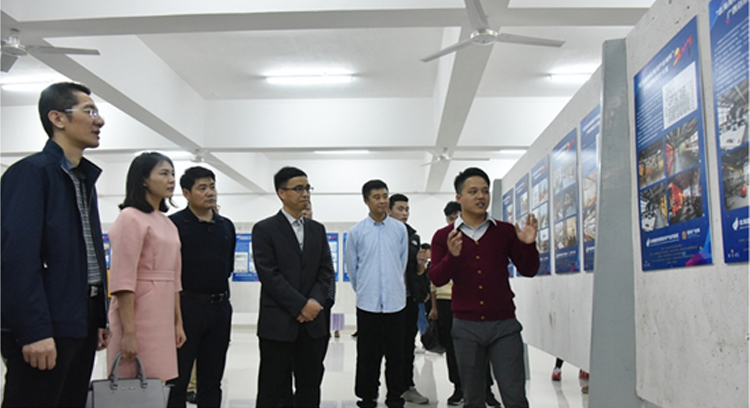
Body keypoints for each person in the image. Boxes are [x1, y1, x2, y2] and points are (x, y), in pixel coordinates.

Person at [1, 82, 109, 407]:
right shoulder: (31, 174)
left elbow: (87, 255)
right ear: (58, 118)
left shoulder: (83, 179)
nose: (100, 120)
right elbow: (16, 260)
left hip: (80, 319)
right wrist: (33, 330)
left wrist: (98, 318)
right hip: (46, 322)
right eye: (89, 111)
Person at [430, 168, 539, 408]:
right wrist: (452, 257)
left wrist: (528, 245)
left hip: (504, 325)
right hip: (466, 327)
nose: (481, 196)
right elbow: (437, 278)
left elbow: (529, 269)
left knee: (514, 395)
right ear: (459, 197)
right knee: (473, 398)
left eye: (485, 191)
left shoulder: (505, 231)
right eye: (473, 192)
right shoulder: (444, 236)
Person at [253, 167, 334, 407]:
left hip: (313, 325)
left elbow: (325, 271)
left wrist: (314, 302)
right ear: (281, 193)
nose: (305, 194)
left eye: (307, 188)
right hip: (278, 323)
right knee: (274, 390)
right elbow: (269, 275)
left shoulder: (317, 230)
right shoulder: (265, 229)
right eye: (298, 189)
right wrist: (300, 306)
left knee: (309, 387)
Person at [107, 152, 187, 382]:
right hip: (137, 313)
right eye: (164, 173)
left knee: (158, 380)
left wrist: (178, 322)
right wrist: (129, 332)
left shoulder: (167, 222)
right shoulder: (129, 217)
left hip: (162, 312)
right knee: (132, 382)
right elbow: (122, 280)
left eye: (172, 174)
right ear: (143, 179)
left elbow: (175, 280)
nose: (171, 180)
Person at [167, 167, 236, 408]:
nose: (210, 193)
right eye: (202, 188)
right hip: (187, 307)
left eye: (212, 187)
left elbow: (226, 267)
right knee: (178, 379)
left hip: (219, 308)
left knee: (212, 380)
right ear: (186, 193)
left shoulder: (226, 226)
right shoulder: (174, 225)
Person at [429, 201, 501, 407]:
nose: (454, 221)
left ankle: (486, 390)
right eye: (450, 218)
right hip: (445, 301)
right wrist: (434, 307)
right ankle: (458, 389)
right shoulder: (443, 239)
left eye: (456, 216)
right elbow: (435, 277)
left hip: (469, 300)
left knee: (480, 348)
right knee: (453, 349)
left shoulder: (476, 237)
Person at [346, 180, 409, 408]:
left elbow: (401, 263)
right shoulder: (356, 232)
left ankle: (395, 396)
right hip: (368, 303)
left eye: (385, 196)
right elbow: (352, 268)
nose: (383, 201)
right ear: (366, 201)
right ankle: (367, 396)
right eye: (377, 197)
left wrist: (393, 287)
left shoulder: (399, 230)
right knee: (367, 354)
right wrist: (365, 289)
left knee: (396, 354)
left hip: (395, 303)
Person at [387, 194, 429, 405]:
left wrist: (421, 265)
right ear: (389, 211)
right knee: (388, 349)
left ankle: (406, 386)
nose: (405, 213)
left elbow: (417, 271)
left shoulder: (413, 237)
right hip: (387, 301)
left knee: (407, 347)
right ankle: (389, 390)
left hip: (409, 299)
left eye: (407, 209)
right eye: (400, 209)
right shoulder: (384, 234)